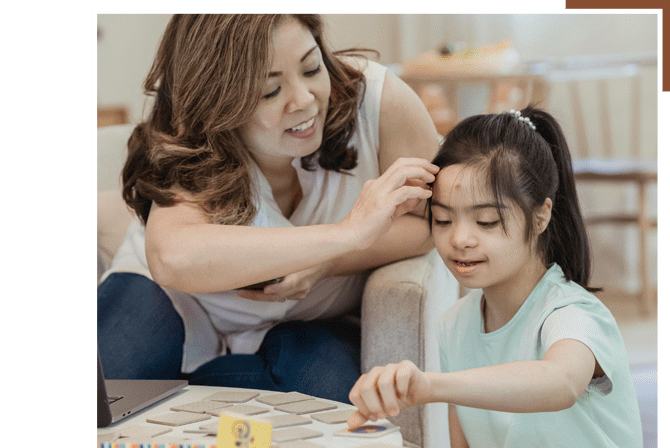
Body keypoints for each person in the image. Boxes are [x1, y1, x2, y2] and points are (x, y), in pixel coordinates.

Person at [98, 13, 440, 401]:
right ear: (217, 103)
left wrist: (329, 261)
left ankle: (198, 391)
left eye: (312, 68)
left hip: (309, 320)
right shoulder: (193, 140)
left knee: (328, 410)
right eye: (269, 91)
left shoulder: (379, 103)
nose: (305, 100)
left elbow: (436, 222)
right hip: (173, 299)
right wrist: (346, 233)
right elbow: (171, 259)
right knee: (108, 397)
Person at [348, 106, 657, 448]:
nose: (460, 239)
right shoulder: (454, 326)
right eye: (442, 220)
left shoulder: (573, 314)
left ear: (541, 215)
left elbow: (559, 381)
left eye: (487, 221)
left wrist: (429, 386)